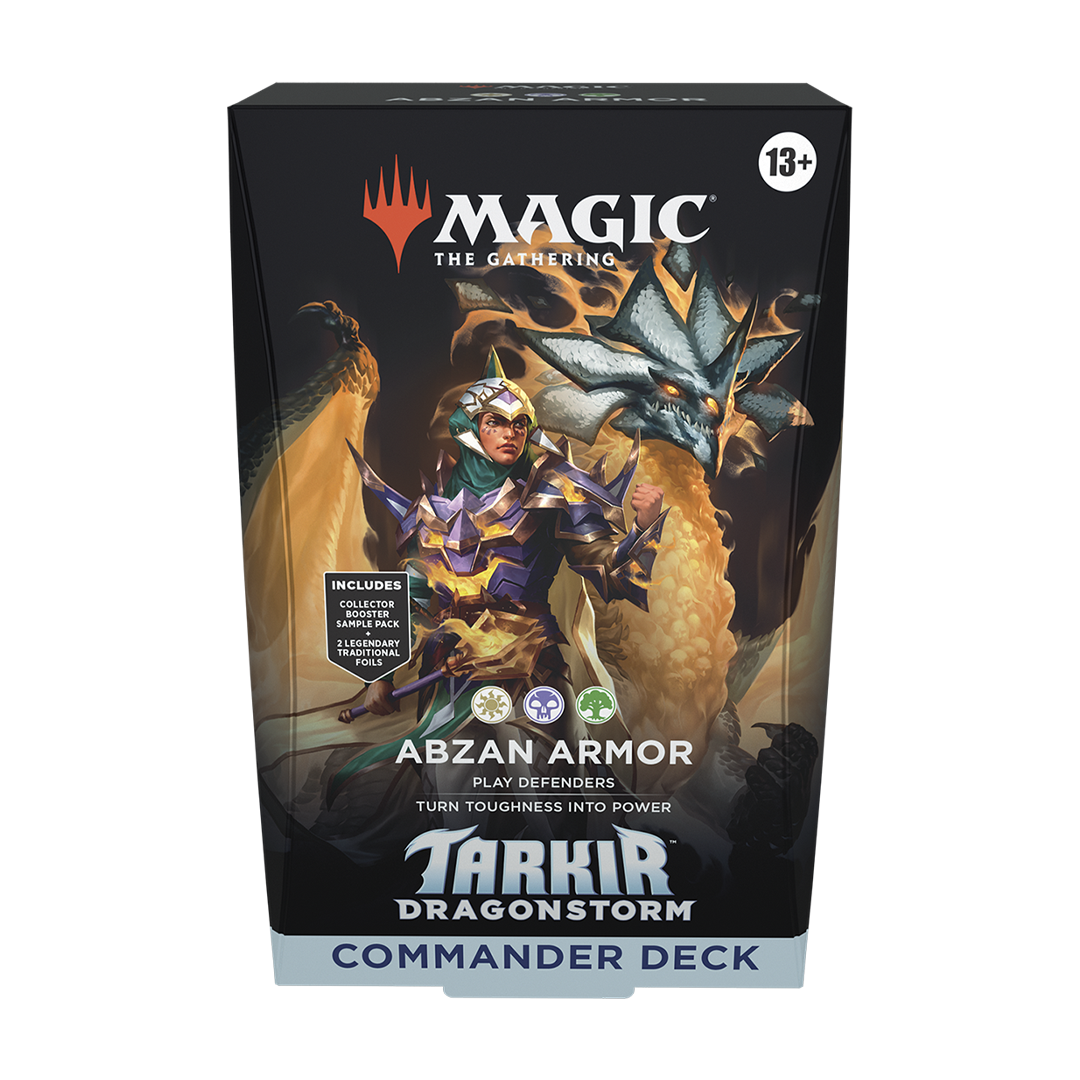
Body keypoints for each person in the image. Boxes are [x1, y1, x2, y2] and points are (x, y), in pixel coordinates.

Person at [328, 350, 665, 806]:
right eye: (496, 423)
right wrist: (380, 675)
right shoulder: (431, 512)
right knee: (459, 806)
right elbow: (411, 595)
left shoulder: (551, 489)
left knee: (558, 798)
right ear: (469, 429)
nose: (511, 433)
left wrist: (643, 526)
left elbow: (607, 568)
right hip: (452, 675)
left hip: (531, 665)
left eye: (520, 424)